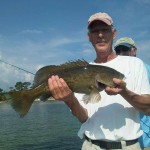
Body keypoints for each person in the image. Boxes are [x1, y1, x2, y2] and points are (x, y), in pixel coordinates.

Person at [48, 12, 150, 150]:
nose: (100, 35)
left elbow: (148, 108)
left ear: (114, 33)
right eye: (95, 31)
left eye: (105, 30)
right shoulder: (82, 70)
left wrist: (124, 92)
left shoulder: (135, 64)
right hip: (91, 145)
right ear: (89, 37)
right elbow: (84, 118)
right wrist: (69, 99)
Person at [114, 37, 150, 150]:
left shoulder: (145, 69)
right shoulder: (117, 70)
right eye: (118, 51)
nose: (121, 53)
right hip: (122, 137)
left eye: (124, 49)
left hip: (144, 137)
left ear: (134, 51)